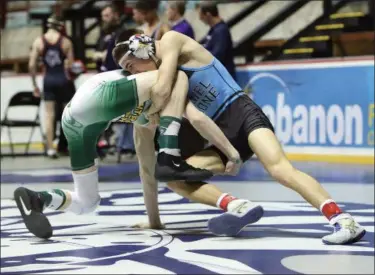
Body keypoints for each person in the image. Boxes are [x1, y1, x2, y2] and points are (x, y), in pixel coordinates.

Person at [114, 29, 366, 245]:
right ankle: (238, 206)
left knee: (280, 169)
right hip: (220, 135)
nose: (133, 74)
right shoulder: (163, 77)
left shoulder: (170, 41)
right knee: (174, 177)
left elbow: (160, 90)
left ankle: (343, 220)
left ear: (141, 47)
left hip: (241, 113)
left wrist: (144, 110)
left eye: (130, 67)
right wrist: (154, 222)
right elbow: (148, 170)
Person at [14, 31, 243, 240]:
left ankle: (38, 199)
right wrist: (231, 153)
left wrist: (154, 221)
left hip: (76, 123)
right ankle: (169, 153)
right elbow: (195, 117)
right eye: (130, 66)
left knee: (87, 202)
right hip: (96, 98)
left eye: (133, 65)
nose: (133, 70)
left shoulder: (142, 117)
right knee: (178, 77)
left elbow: (146, 170)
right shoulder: (155, 82)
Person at [29, 15, 76, 159]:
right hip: (62, 79)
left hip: (48, 80)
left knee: (49, 115)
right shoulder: (66, 42)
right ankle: (69, 145)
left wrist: (35, 85)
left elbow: (32, 65)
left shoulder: (39, 41)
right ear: (60, 26)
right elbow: (71, 66)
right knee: (67, 115)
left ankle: (50, 149)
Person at [197, 2, 236, 80]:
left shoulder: (221, 31)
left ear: (208, 15)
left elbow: (217, 56)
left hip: (223, 79)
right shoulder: (213, 30)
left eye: (201, 16)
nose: (200, 19)